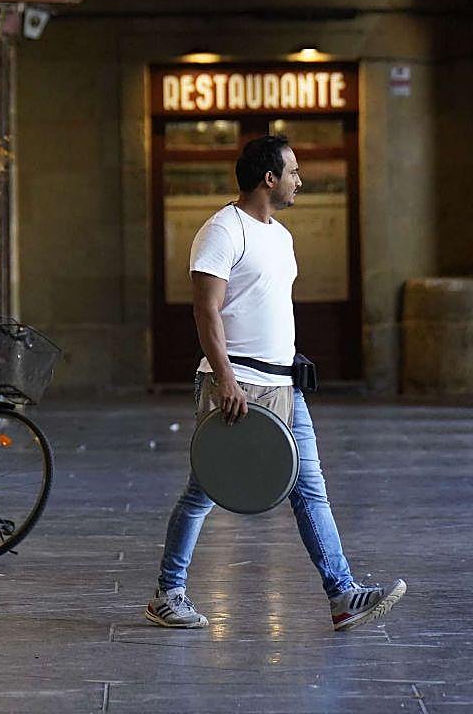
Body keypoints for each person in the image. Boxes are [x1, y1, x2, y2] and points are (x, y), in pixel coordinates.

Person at [145, 134, 406, 632]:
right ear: (269, 178)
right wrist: (224, 378)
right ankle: (168, 593)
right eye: (294, 172)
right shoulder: (222, 230)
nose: (300, 182)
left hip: (285, 385)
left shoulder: (280, 236)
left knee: (310, 491)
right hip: (236, 385)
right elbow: (206, 309)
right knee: (203, 490)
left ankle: (342, 594)